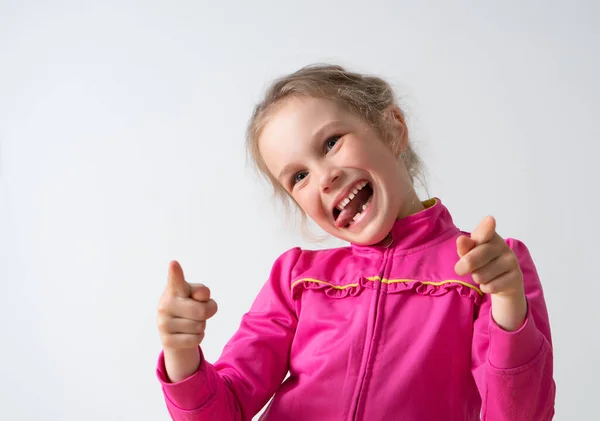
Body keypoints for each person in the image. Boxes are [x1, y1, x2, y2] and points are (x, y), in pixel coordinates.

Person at [155, 64, 555, 420]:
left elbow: (522, 413)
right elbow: (225, 410)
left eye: (330, 143)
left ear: (393, 129)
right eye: (298, 177)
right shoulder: (296, 280)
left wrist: (507, 302)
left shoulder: (489, 267)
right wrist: (181, 355)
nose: (324, 177)